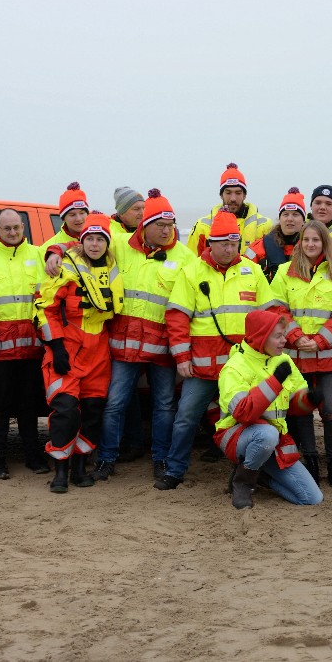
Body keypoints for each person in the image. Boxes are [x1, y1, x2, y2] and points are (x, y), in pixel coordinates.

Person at [159, 211, 274, 490]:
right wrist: (182, 358)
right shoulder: (191, 272)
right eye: (222, 243)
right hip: (201, 367)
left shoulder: (253, 271)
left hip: (241, 369)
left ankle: (251, 473)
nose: (228, 248)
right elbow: (177, 317)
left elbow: (269, 315)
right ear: (210, 243)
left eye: (233, 243)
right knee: (186, 416)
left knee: (252, 418)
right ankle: (174, 470)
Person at [94, 189, 194, 482]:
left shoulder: (185, 258)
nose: (166, 230)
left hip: (163, 348)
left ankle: (161, 459)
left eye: (171, 225)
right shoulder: (121, 245)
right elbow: (87, 243)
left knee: (164, 405)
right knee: (114, 403)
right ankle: (106, 458)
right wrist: (54, 253)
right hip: (124, 345)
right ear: (144, 224)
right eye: (160, 225)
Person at [35, 213, 124, 493]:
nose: (95, 244)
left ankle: (79, 467)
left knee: (94, 412)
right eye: (90, 239)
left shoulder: (114, 268)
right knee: (66, 412)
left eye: (100, 239)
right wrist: (56, 346)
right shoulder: (65, 269)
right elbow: (43, 308)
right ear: (81, 241)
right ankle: (59, 471)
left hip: (99, 350)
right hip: (69, 348)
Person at [270, 220, 332, 488]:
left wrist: (319, 341)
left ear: (325, 243)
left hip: (329, 356)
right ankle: (311, 464)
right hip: (296, 356)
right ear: (300, 243)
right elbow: (277, 309)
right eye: (306, 240)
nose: (311, 244)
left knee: (331, 410)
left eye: (316, 240)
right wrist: (297, 337)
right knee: (302, 410)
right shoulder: (285, 272)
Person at [216, 308, 325, 508]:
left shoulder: (282, 360)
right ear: (260, 338)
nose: (284, 340)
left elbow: (296, 405)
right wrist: (274, 382)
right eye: (278, 336)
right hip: (236, 436)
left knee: (311, 498)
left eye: (284, 334)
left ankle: (259, 476)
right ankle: (243, 483)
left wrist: (309, 400)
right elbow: (243, 413)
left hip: (274, 441)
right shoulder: (234, 367)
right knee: (266, 434)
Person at [0, 208, 49, 479]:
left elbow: (46, 300)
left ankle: (33, 456)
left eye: (16, 227)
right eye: (7, 229)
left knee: (30, 406)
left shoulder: (39, 255)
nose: (13, 232)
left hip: (31, 349)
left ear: (23, 227)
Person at [187, 163, 272, 256]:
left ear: (244, 195)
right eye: (228, 193)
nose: (233, 198)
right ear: (221, 195)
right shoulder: (202, 227)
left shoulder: (264, 226)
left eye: (238, 193)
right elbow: (191, 262)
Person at [244, 187, 306, 282]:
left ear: (303, 221)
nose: (290, 219)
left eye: (295, 214)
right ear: (279, 219)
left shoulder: (312, 247)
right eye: (285, 214)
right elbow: (244, 274)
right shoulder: (258, 248)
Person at [41, 182, 90, 277]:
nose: (79, 219)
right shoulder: (48, 248)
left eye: (82, 213)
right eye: (72, 215)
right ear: (63, 218)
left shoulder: (101, 239)